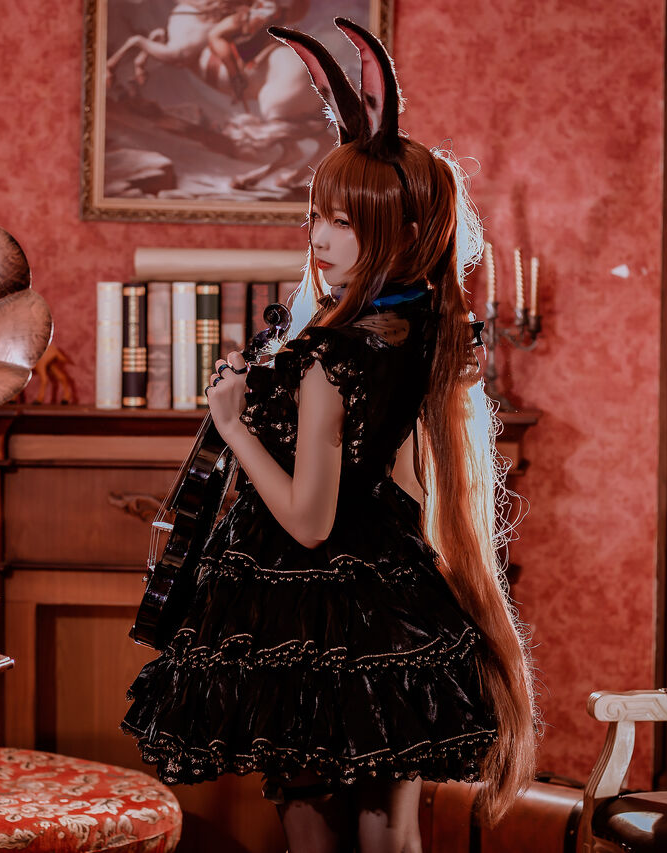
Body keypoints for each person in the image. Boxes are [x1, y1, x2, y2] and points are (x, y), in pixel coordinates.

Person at [122, 18, 537, 853]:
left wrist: (234, 425)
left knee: (314, 825)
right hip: (388, 595)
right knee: (394, 835)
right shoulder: (412, 333)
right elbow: (386, 476)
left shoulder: (329, 359)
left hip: (299, 599)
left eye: (344, 221)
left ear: (398, 231)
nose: (319, 236)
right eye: (317, 214)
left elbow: (309, 520)